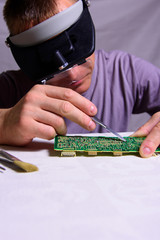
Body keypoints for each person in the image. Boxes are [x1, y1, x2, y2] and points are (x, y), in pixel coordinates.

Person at [1, 0, 160, 158]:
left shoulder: (125, 72)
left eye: (81, 58)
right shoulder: (10, 88)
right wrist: (5, 123)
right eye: (52, 68)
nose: (73, 75)